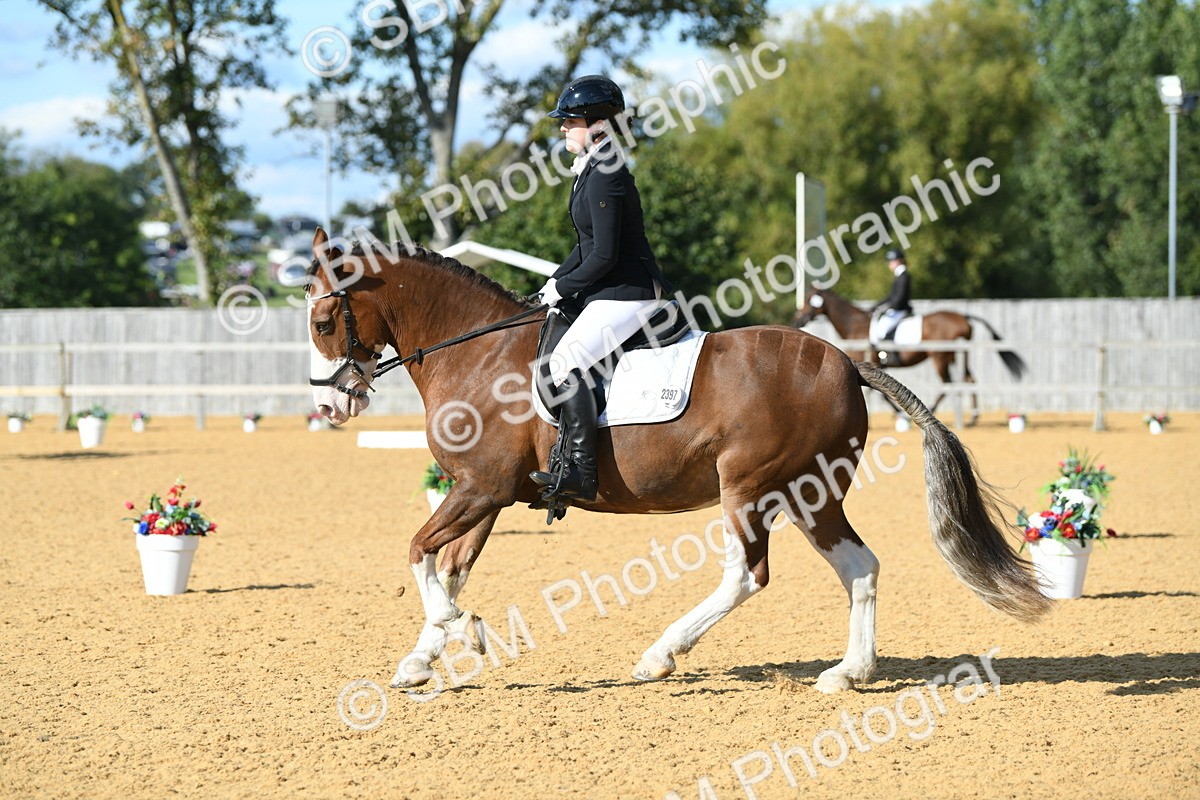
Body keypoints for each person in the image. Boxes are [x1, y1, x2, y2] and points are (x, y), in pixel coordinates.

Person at [529, 75, 673, 504]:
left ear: (598, 126)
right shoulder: (592, 169)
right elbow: (585, 246)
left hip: (630, 290)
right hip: (611, 289)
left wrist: (564, 287)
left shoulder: (606, 172)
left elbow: (605, 256)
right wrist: (553, 282)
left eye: (570, 121)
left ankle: (580, 471)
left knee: (564, 364)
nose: (562, 127)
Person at [870, 248, 912, 365]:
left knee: (882, 329)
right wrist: (877, 305)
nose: (889, 264)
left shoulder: (904, 276)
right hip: (896, 309)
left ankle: (891, 356)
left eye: (892, 261)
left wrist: (888, 307)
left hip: (900, 309)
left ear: (899, 261)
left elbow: (900, 297)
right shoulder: (899, 276)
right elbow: (891, 296)